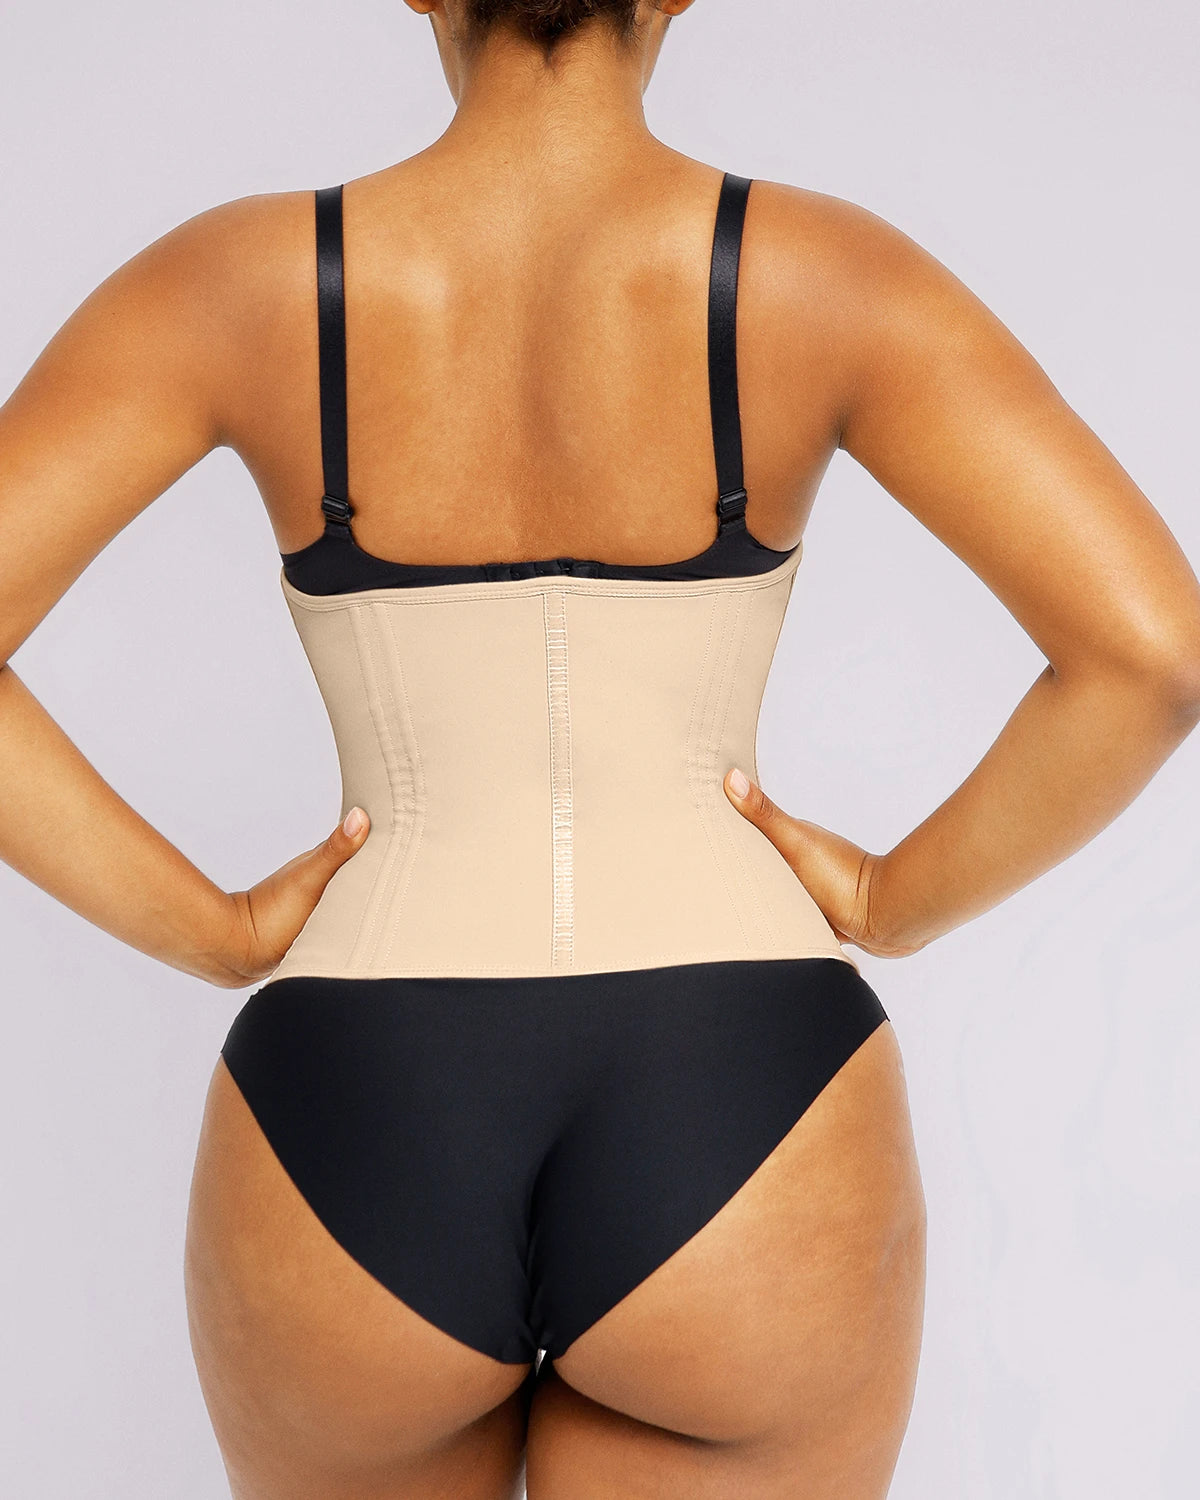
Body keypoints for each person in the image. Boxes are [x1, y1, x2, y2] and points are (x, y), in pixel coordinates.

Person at [2, 1, 1199, 1496]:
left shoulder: (237, 284)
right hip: (746, 1102)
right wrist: (893, 902)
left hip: (355, 1107)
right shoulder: (824, 277)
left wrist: (215, 929)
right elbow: (1151, 656)